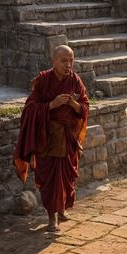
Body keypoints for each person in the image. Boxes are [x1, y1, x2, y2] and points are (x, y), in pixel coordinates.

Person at [12, 44, 89, 233]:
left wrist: (73, 104)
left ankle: (61, 209)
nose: (68, 65)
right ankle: (51, 218)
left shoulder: (75, 80)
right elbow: (29, 108)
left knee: (67, 176)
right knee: (50, 179)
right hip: (48, 137)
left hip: (68, 137)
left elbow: (85, 106)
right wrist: (51, 106)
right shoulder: (43, 80)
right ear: (53, 61)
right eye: (64, 61)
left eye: (71, 61)